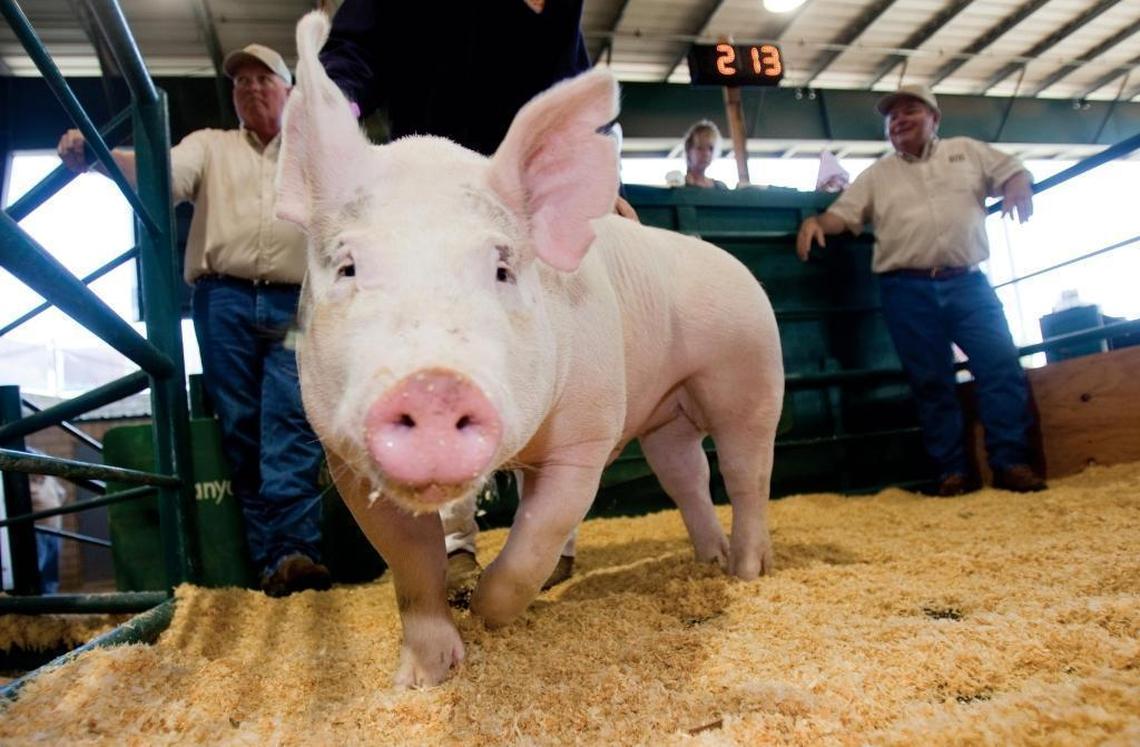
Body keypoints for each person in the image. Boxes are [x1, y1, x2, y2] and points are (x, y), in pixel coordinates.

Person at [318, 0, 637, 595]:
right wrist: (334, 115)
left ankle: (547, 545)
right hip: (431, 201)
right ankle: (456, 545)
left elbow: (576, 106)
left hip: (525, 206)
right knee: (437, 362)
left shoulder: (563, 6)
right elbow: (351, 56)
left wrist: (601, 188)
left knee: (548, 364)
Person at [58, 43, 332, 596]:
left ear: (290, 90)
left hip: (293, 303)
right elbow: (162, 172)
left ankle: (297, 550)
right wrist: (100, 158)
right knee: (241, 427)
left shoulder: (316, 153)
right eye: (240, 82)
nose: (251, 88)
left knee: (290, 417)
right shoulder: (209, 145)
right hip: (222, 301)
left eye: (264, 78)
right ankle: (272, 563)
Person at [795, 83, 1046, 497]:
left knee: (1000, 366)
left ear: (934, 118)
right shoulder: (876, 175)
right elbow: (843, 215)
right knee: (930, 381)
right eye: (892, 116)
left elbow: (1011, 169)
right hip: (906, 288)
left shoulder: (967, 151)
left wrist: (1019, 182)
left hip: (968, 282)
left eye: (910, 110)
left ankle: (1011, 463)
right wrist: (818, 224)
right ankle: (952, 472)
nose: (899, 120)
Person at [29, 473, 65, 594]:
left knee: (51, 566)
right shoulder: (24, 480)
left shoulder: (50, 478)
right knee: (38, 565)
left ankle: (51, 596)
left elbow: (61, 494)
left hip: (55, 529)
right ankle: (34, 598)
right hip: (37, 531)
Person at [680, 120, 729, 189]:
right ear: (688, 150)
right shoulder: (679, 186)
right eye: (700, 147)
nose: (706, 153)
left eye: (710, 148)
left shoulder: (720, 188)